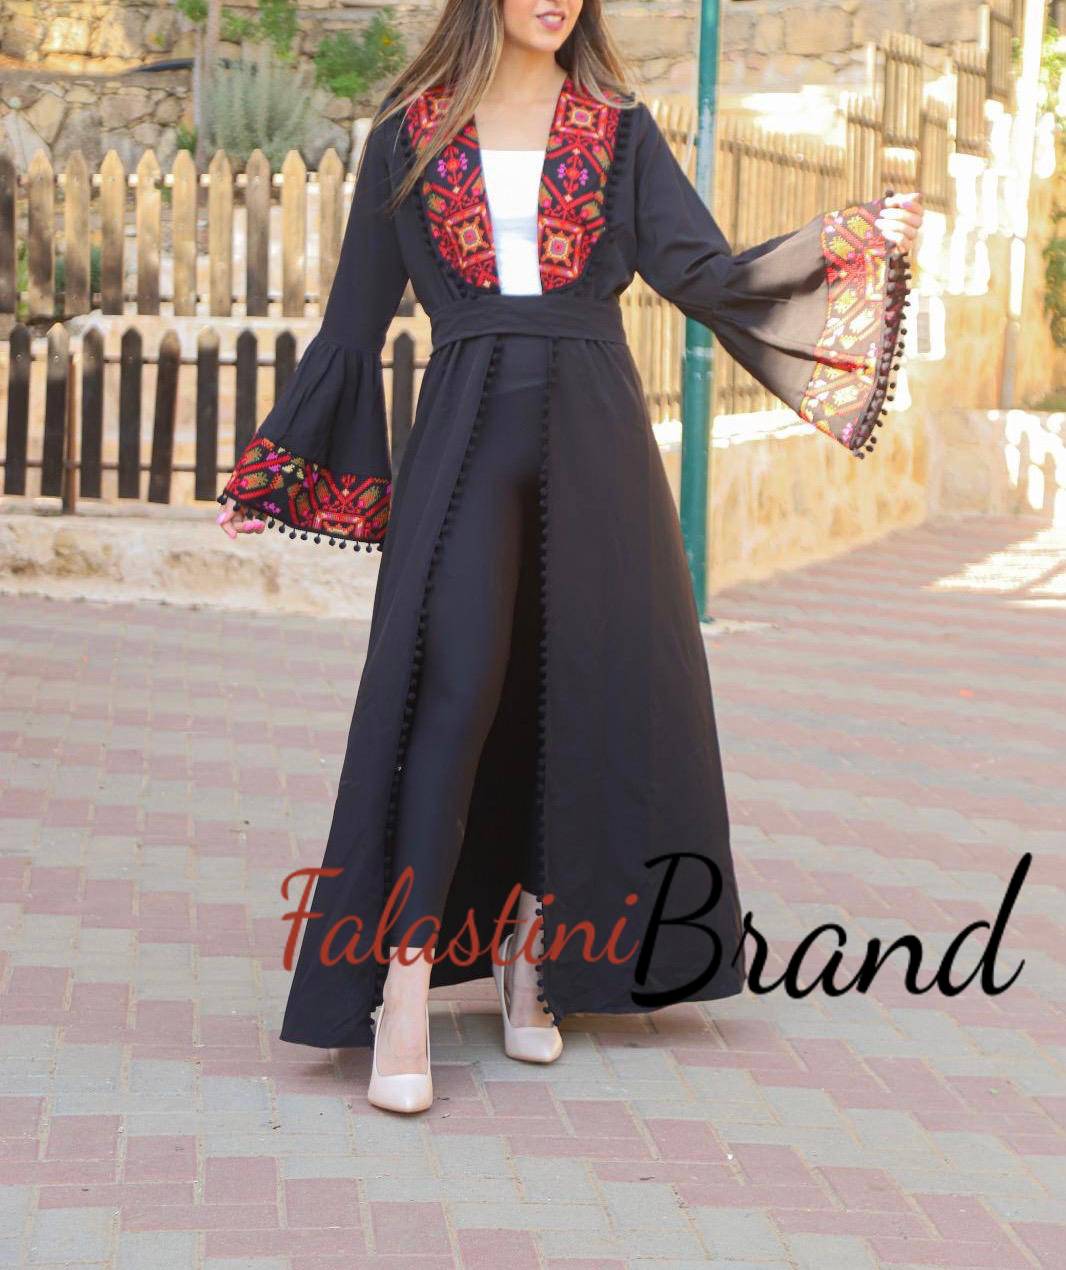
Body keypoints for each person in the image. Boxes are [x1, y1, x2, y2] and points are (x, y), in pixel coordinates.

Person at [216, 0, 923, 1114]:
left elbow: (704, 272)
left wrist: (853, 248)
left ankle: (533, 959)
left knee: (577, 691)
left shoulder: (618, 127)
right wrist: (283, 462)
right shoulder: (408, 131)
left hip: (596, 442)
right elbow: (355, 319)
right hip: (463, 440)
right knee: (451, 695)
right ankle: (402, 986)